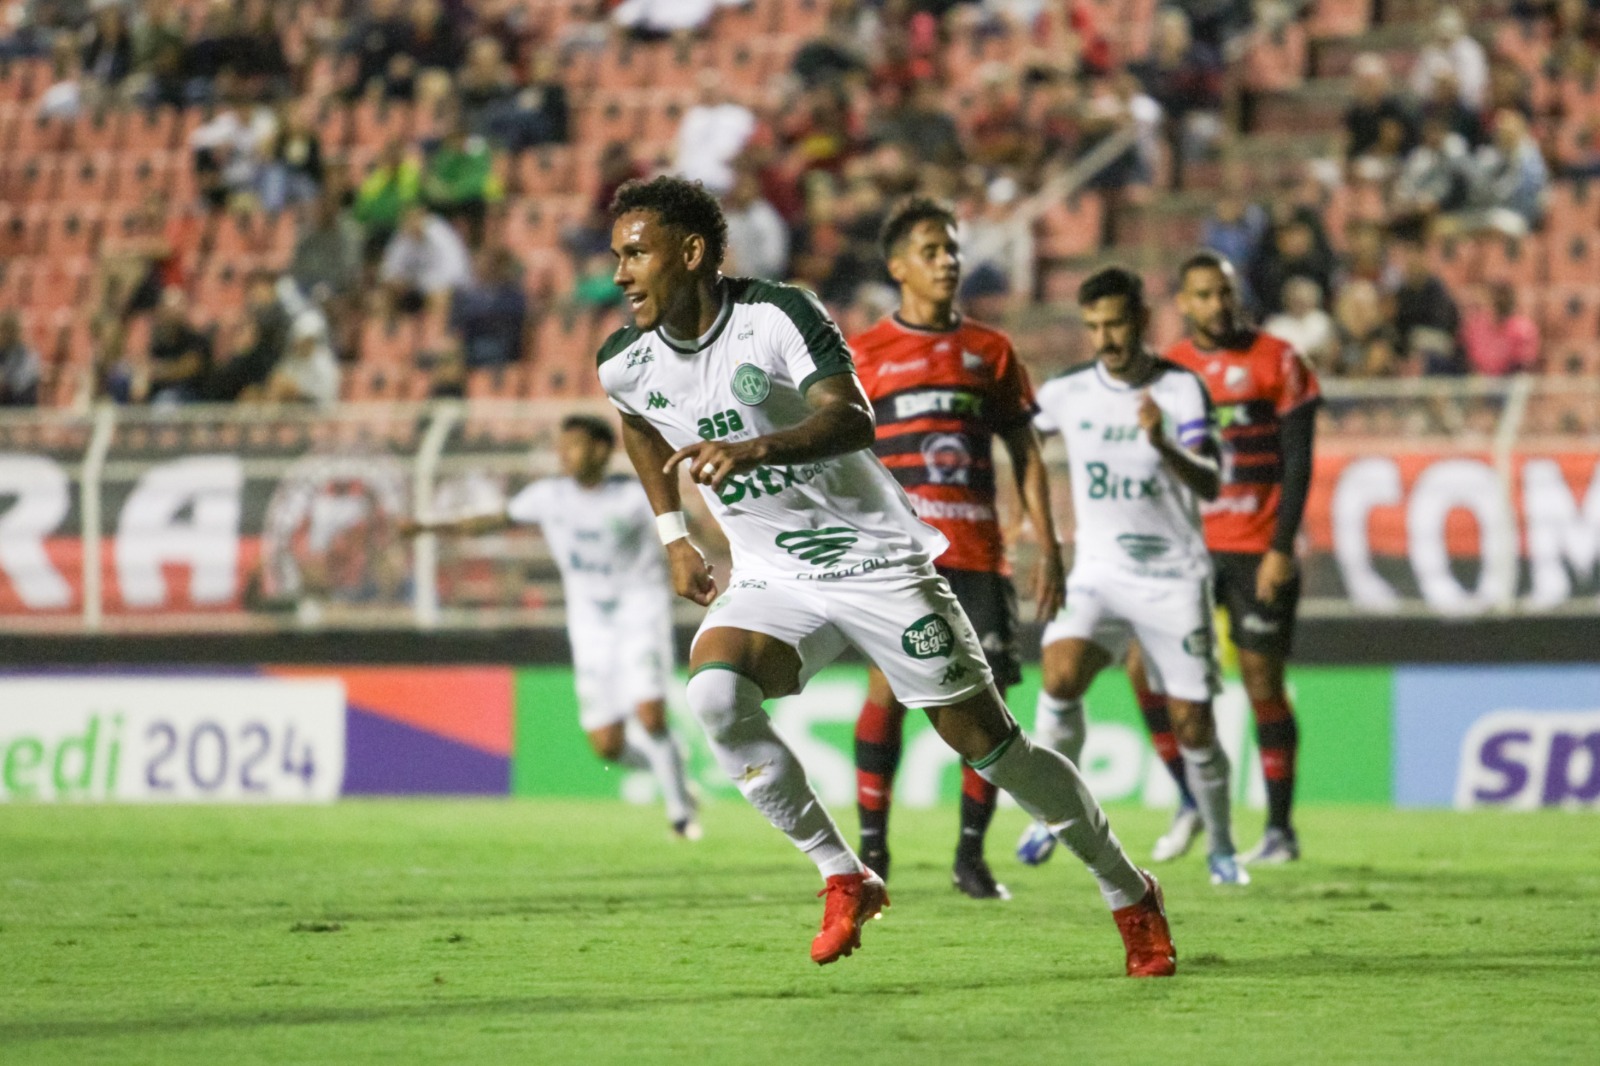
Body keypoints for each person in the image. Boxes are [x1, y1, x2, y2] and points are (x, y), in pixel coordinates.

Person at [598, 174, 1174, 974]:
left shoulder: (777, 315)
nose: (621, 272)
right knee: (716, 695)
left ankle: (1127, 889)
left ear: (691, 253)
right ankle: (844, 873)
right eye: (617, 255)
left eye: (636, 253)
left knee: (993, 748)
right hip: (776, 572)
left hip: (876, 559)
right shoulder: (624, 360)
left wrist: (757, 446)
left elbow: (852, 416)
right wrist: (673, 535)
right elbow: (637, 427)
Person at [847, 197, 1064, 900]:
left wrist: (1048, 539)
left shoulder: (990, 351)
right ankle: (872, 850)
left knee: (988, 708)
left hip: (978, 553)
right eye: (932, 250)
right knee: (886, 689)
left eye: (952, 249)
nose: (947, 261)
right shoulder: (864, 356)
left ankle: (970, 858)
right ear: (898, 267)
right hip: (901, 557)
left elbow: (1024, 449)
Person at [1012, 267, 1246, 888]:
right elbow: (1021, 444)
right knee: (1059, 677)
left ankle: (1222, 846)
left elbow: (1213, 481)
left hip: (1173, 578)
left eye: (1114, 324)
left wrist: (1164, 444)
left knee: (1193, 723)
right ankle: (1053, 813)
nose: (1104, 338)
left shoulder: (1180, 391)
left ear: (1141, 321)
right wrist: (1038, 531)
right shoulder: (1068, 391)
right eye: (1092, 327)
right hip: (1100, 571)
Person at [402, 415, 701, 839]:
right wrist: (428, 527)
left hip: (641, 610)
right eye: (561, 446)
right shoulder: (549, 496)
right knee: (607, 745)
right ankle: (670, 765)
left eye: (574, 445)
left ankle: (680, 814)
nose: (564, 454)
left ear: (601, 450)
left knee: (650, 714)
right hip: (590, 623)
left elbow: (692, 529)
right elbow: (491, 520)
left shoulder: (635, 498)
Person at [1133, 252, 1320, 866]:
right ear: (1183, 303)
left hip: (1255, 548)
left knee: (1262, 682)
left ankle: (1280, 830)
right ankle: (1190, 799)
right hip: (1188, 551)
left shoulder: (1280, 361)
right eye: (1205, 295)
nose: (1218, 304)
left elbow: (1298, 465)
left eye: (1225, 293)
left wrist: (1280, 548)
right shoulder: (1167, 372)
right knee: (1143, 669)